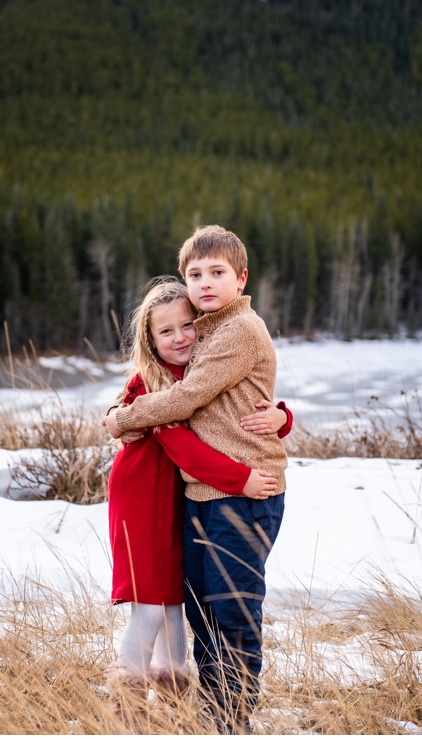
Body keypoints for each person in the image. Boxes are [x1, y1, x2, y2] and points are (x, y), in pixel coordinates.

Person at [102, 225, 286, 734]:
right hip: (159, 500)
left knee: (221, 616)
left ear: (241, 277)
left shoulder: (234, 332)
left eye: (217, 273)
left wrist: (281, 418)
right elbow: (205, 411)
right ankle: (150, 713)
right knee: (177, 609)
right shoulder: (186, 353)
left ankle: (225, 720)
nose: (205, 284)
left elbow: (203, 402)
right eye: (196, 274)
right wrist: (124, 413)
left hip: (231, 495)